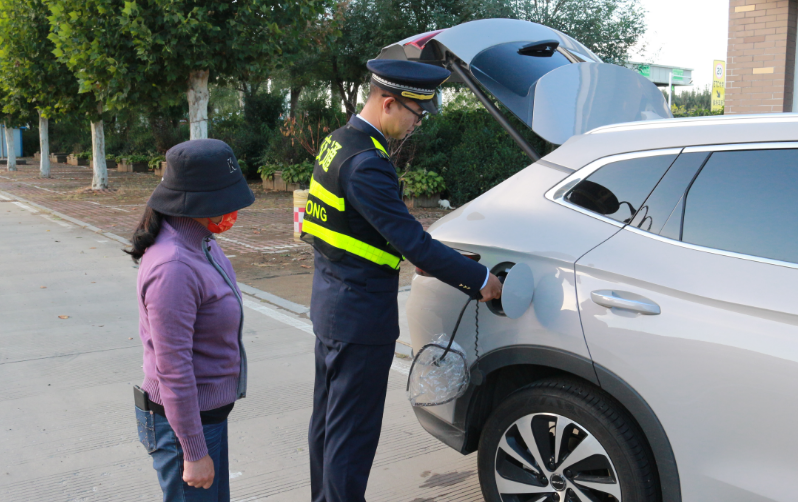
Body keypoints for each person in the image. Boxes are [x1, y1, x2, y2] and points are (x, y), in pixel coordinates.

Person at [304, 59, 503, 502]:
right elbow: (414, 241)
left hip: (332, 305)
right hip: (359, 317)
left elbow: (353, 227)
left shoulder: (339, 142)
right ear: (389, 103)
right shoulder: (368, 163)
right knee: (351, 437)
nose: (417, 124)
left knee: (328, 426)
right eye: (415, 114)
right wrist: (481, 279)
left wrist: (419, 253)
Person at [127, 139, 255, 502]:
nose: (234, 209)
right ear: (201, 200)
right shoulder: (174, 267)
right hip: (183, 424)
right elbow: (174, 368)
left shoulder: (202, 241)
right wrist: (195, 451)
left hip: (205, 417)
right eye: (228, 200)